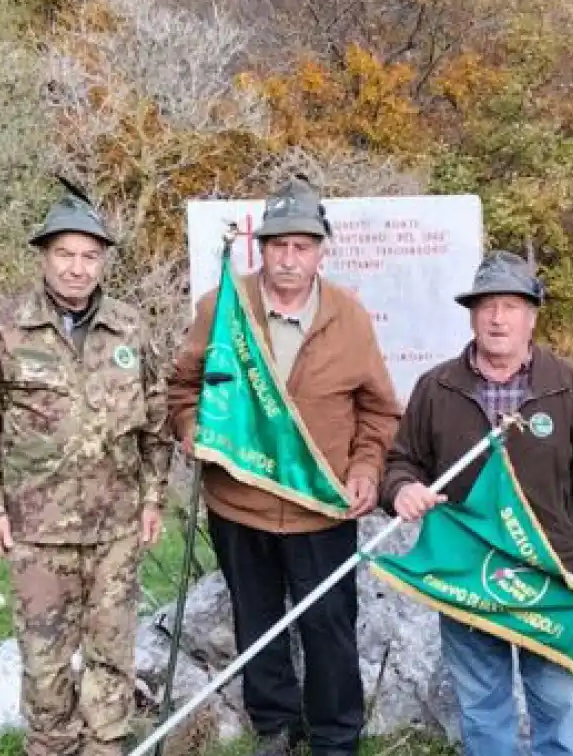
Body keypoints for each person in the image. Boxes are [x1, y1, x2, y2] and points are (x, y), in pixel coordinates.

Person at [166, 176, 402, 756]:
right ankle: (273, 726)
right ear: (260, 248)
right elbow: (182, 387)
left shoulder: (350, 317)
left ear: (321, 250)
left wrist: (367, 470)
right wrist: (193, 431)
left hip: (320, 506)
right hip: (239, 501)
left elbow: (378, 409)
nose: (289, 259)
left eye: (302, 246)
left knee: (329, 629)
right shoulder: (222, 308)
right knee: (257, 620)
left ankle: (335, 737)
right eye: (278, 245)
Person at [380, 249, 573, 756]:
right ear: (472, 315)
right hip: (468, 580)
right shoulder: (436, 388)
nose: (498, 318)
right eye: (487, 306)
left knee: (560, 715)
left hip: (551, 579)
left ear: (532, 316)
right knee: (482, 714)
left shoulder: (566, 386)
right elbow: (400, 463)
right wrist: (400, 490)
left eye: (511, 306)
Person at [0, 179, 173, 756]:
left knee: (111, 655)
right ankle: (51, 748)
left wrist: (153, 500)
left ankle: (106, 748)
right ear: (45, 256)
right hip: (38, 529)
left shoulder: (130, 328)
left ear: (103, 262)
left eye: (90, 256)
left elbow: (157, 422)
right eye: (66, 255)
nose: (78, 269)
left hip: (117, 527)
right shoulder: (2, 329)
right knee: (45, 661)